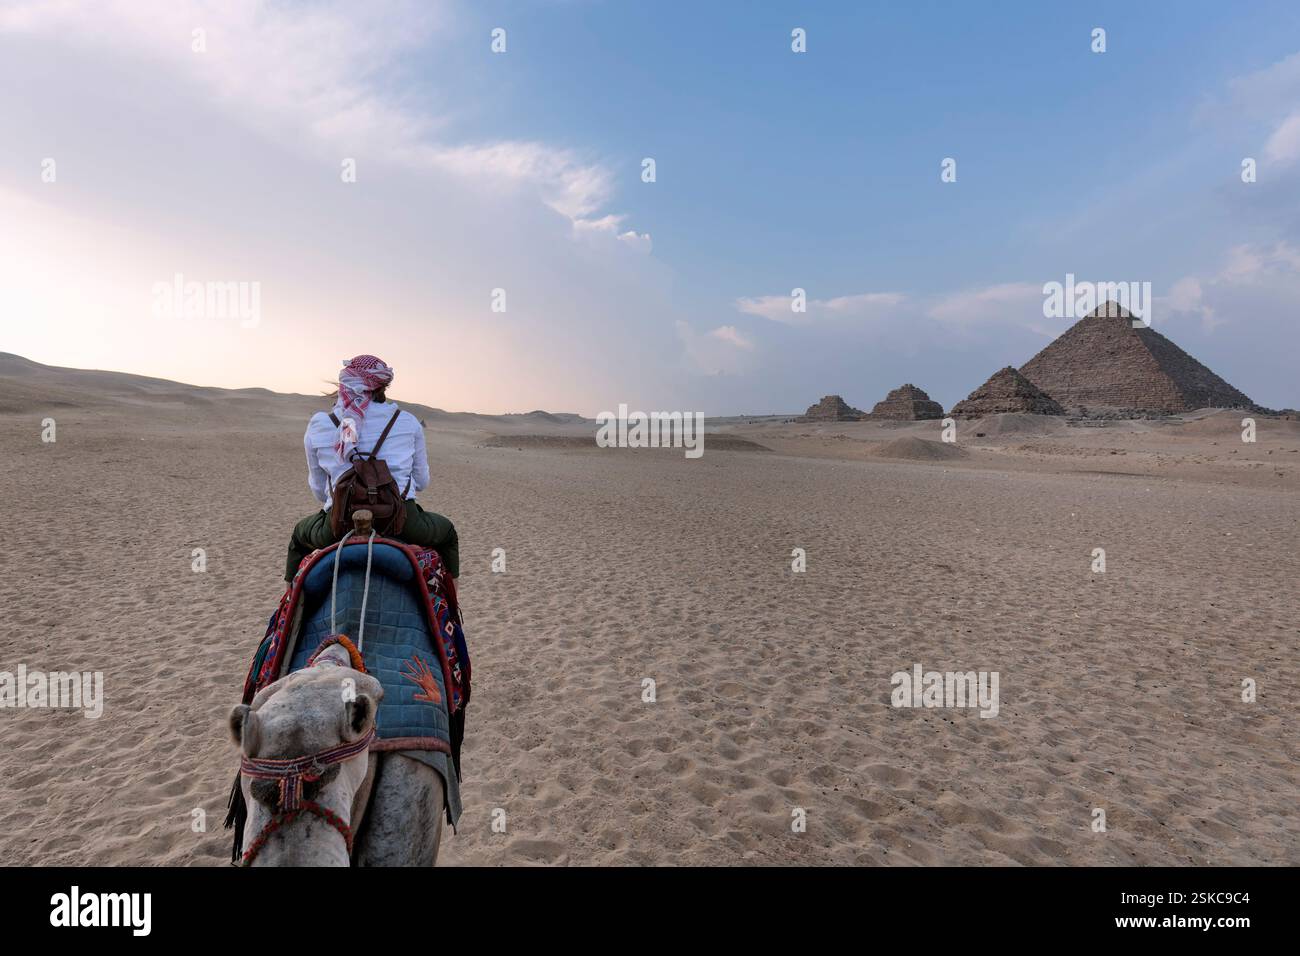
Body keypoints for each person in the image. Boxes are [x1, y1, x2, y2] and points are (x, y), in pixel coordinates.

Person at [283, 354, 459, 583]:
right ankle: (450, 613)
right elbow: (422, 482)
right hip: (403, 521)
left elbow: (318, 491)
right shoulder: (407, 421)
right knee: (447, 534)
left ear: (344, 384)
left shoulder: (320, 424)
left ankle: (291, 612)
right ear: (383, 385)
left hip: (337, 523)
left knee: (299, 538)